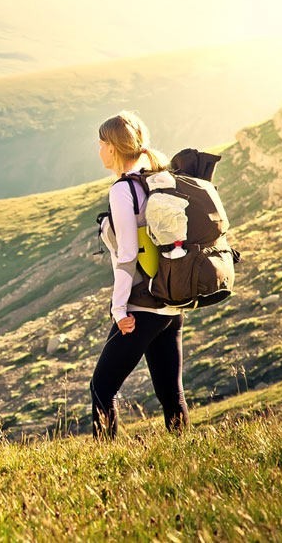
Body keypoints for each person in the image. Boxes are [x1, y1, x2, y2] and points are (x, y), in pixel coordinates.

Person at [90, 111, 188, 440]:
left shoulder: (123, 191)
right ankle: (186, 453)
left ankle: (103, 459)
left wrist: (119, 310)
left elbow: (128, 254)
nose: (98, 150)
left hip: (142, 305)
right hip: (171, 304)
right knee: (170, 393)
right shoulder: (158, 179)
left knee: (102, 387)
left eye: (101, 143)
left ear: (114, 148)